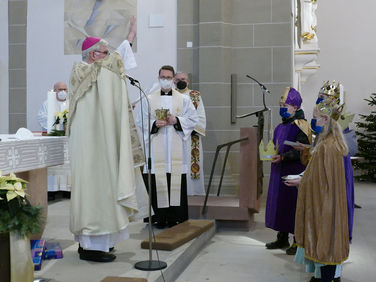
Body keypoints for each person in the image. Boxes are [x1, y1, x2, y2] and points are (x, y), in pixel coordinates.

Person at [67, 36, 147, 262]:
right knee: (95, 193)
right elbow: (110, 73)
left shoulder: (95, 72)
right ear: (94, 55)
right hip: (92, 149)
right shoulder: (87, 72)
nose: (109, 56)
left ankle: (97, 244)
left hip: (101, 146)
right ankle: (92, 247)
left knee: (104, 192)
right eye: (105, 52)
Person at [286, 100, 349, 282]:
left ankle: (327, 279)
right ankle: (325, 277)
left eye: (315, 118)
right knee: (329, 240)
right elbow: (321, 174)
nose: (313, 122)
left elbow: (322, 180)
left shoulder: (327, 147)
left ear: (325, 119)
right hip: (330, 201)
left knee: (325, 241)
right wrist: (305, 178)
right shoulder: (331, 142)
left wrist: (301, 180)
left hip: (325, 203)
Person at [138, 65, 198, 228]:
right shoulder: (149, 99)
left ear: (173, 79)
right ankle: (160, 217)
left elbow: (193, 119)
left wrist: (176, 121)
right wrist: (153, 124)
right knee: (158, 182)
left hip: (176, 148)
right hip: (157, 147)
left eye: (168, 77)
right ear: (158, 78)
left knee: (176, 180)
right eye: (162, 77)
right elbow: (140, 121)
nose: (165, 80)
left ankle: (176, 218)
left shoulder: (184, 99)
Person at [265, 87, 312, 255]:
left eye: (285, 105)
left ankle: (297, 241)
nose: (282, 108)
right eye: (280, 105)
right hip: (279, 169)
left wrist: (284, 157)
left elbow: (303, 150)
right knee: (280, 204)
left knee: (294, 205)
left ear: (296, 107)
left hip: (295, 169)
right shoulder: (280, 126)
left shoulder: (302, 126)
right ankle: (282, 237)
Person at [174, 72, 206, 195]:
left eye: (183, 79)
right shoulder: (170, 95)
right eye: (177, 79)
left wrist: (186, 125)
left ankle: (194, 192)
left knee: (190, 164)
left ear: (188, 81)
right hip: (175, 135)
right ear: (174, 81)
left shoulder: (195, 96)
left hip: (192, 138)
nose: (180, 81)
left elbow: (201, 117)